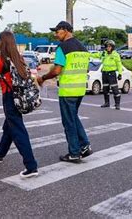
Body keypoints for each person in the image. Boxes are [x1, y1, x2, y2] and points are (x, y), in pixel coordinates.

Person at [38, 21, 92, 163]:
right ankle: (85, 146)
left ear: (66, 30)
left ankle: (74, 153)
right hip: (80, 89)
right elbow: (86, 69)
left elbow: (57, 70)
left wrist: (43, 78)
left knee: (68, 122)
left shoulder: (62, 47)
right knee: (73, 117)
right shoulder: (83, 48)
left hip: (68, 90)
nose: (55, 35)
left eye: (57, 31)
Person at [0, 30, 38, 178]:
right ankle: (0, 153)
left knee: (18, 130)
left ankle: (31, 166)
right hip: (20, 96)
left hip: (9, 97)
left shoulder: (0, 60)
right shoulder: (19, 57)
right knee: (9, 126)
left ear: (2, 43)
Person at [91, 40, 123, 110]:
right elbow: (95, 55)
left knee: (115, 89)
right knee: (105, 89)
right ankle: (107, 103)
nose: (108, 48)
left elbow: (119, 65)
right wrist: (86, 54)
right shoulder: (103, 53)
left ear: (112, 47)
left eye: (109, 46)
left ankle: (117, 104)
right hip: (104, 73)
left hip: (112, 74)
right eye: (107, 46)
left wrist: (120, 73)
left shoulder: (116, 55)